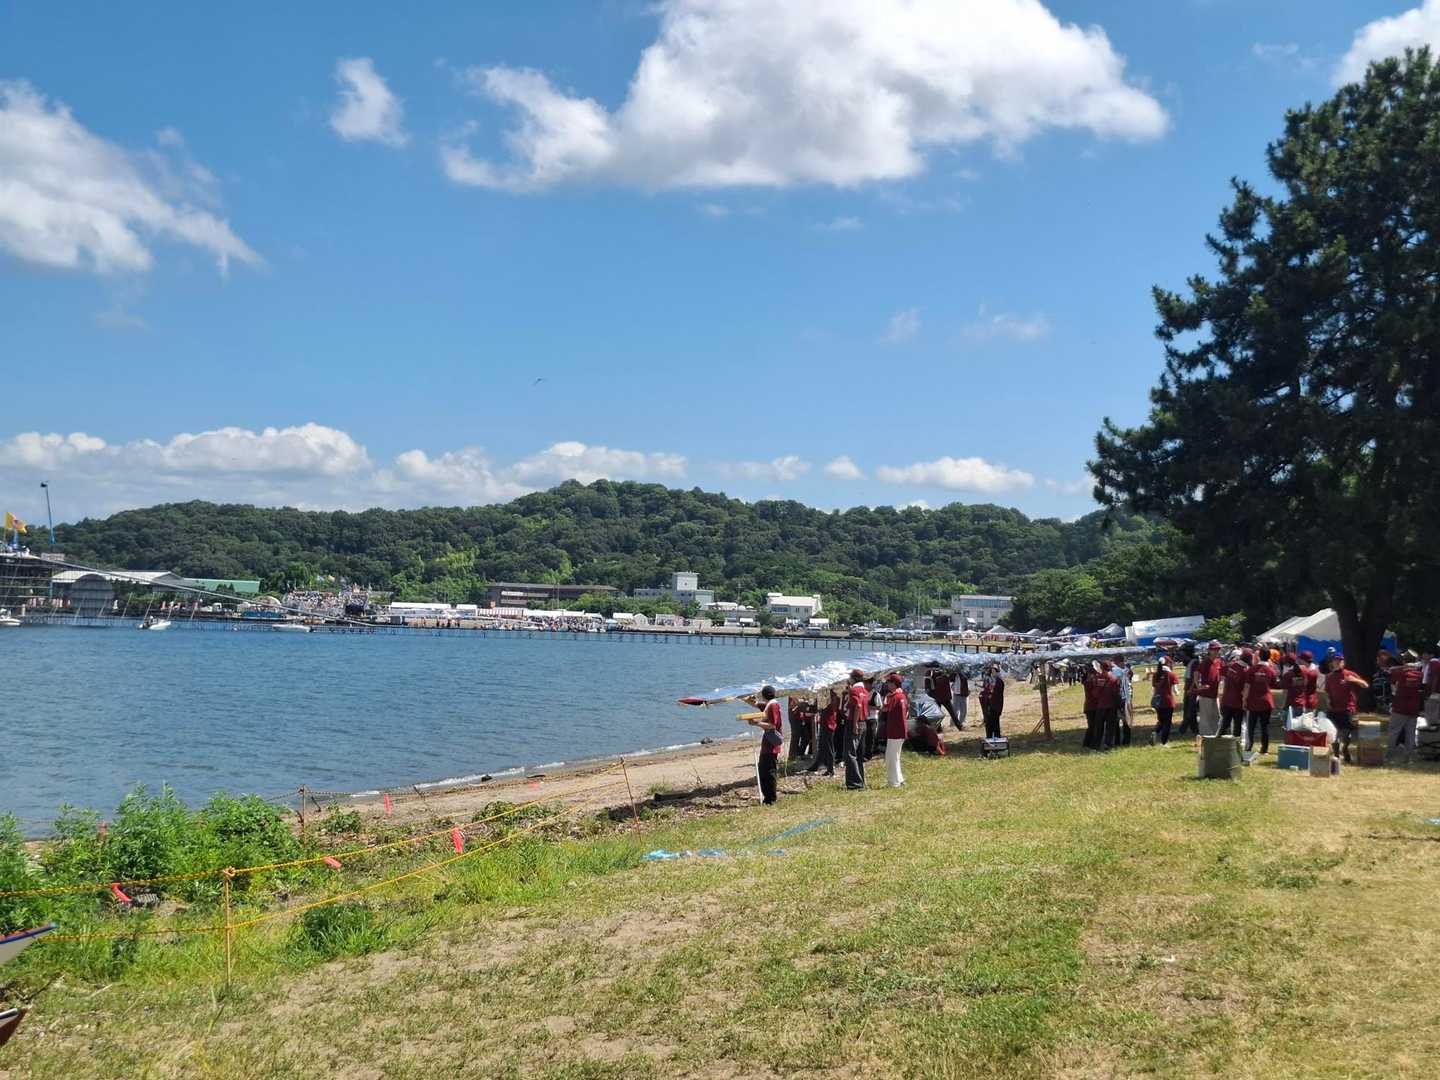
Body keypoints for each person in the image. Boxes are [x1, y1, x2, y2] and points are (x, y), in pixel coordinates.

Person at [1324, 656, 1369, 764]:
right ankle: (1336, 755)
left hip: (1347, 709)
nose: (1337, 663)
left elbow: (1366, 685)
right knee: (1333, 732)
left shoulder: (1349, 674)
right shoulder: (1329, 677)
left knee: (1346, 733)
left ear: (1343, 663)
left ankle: (1345, 749)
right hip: (1333, 709)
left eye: (1340, 661)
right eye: (1335, 661)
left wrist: (1355, 680)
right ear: (1332, 663)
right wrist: (1327, 700)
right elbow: (1326, 692)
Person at [1386, 650, 1424, 763]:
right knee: (1410, 733)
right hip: (1413, 708)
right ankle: (1408, 757)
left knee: (1393, 732)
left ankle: (1389, 756)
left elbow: (1390, 673)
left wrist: (1403, 667)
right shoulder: (1419, 674)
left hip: (1400, 707)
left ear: (1404, 660)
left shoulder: (1399, 672)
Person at [749, 686, 784, 805]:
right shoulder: (770, 704)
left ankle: (771, 798)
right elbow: (756, 704)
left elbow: (772, 725)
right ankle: (767, 797)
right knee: (763, 770)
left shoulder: (773, 705)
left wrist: (757, 723)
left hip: (771, 744)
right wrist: (744, 698)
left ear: (764, 695)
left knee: (769, 771)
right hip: (768, 743)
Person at [1243, 649, 1279, 754]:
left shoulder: (1251, 670)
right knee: (1265, 726)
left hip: (1253, 701)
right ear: (1269, 657)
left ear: (1259, 656)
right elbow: (1274, 684)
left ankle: (1249, 747)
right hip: (1266, 702)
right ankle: (1264, 749)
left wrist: (1244, 700)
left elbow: (1247, 686)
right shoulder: (1271, 670)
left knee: (1251, 727)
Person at [843, 669, 869, 790]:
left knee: (849, 754)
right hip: (863, 722)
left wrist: (854, 724)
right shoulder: (864, 690)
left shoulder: (854, 690)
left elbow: (857, 706)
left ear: (853, 678)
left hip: (855, 722)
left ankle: (854, 783)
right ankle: (860, 779)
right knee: (858, 754)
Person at [883, 672, 908, 787]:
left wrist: (887, 698)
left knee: (891, 758)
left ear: (894, 684)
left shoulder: (895, 697)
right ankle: (899, 779)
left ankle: (893, 782)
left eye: (889, 682)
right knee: (895, 757)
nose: (887, 684)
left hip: (895, 731)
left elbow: (885, 709)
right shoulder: (902, 696)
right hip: (899, 730)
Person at [1218, 648, 1250, 738]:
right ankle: (1236, 743)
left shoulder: (1230, 666)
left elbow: (1221, 675)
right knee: (1237, 726)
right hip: (1238, 703)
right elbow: (1245, 689)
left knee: (1224, 725)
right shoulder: (1245, 671)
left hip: (1226, 700)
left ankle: (1218, 742)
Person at [806, 691, 838, 777]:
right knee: (822, 745)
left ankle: (831, 769)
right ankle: (817, 765)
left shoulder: (832, 697)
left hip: (829, 724)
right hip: (825, 723)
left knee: (828, 747)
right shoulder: (827, 696)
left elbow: (824, 707)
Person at [1195, 641, 1223, 736]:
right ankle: (1205, 736)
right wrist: (1198, 685)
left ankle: (1215, 734)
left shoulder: (1219, 661)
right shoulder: (1205, 662)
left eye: (1217, 649)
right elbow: (1196, 672)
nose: (1216, 651)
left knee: (1216, 715)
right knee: (1206, 716)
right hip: (1206, 693)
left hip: (1215, 693)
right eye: (1214, 649)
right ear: (1209, 651)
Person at [1151, 660, 1179, 746]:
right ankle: (1164, 742)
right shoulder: (1171, 675)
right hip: (1168, 701)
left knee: (1161, 720)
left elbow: (1154, 688)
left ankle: (1155, 732)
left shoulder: (1155, 674)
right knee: (1167, 722)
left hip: (1157, 700)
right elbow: (1175, 690)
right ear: (1168, 664)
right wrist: (1177, 692)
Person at [1095, 659, 1122, 749]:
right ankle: (1108, 744)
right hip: (1111, 706)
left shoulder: (1098, 678)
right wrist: (1119, 706)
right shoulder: (1114, 679)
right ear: (1110, 668)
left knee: (1099, 727)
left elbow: (1096, 693)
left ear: (1101, 668)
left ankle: (1097, 744)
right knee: (1110, 727)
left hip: (1100, 705)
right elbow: (1116, 693)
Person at [925, 663, 960, 730]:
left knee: (938, 714)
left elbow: (928, 687)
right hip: (944, 697)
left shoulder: (930, 674)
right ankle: (959, 726)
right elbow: (952, 678)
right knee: (952, 713)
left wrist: (930, 696)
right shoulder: (943, 673)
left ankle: (939, 728)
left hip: (937, 697)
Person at [1178, 645, 1201, 738]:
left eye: (1182, 655)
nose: (1181, 657)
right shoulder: (1190, 663)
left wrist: (1190, 689)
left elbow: (1194, 679)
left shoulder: (1194, 663)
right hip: (1188, 689)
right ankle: (1194, 728)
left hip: (1192, 690)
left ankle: (1182, 729)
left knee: (1190, 710)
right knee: (1189, 709)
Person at [979, 664, 1005, 739]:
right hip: (987, 704)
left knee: (995, 722)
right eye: (991, 671)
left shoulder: (999, 681)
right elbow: (985, 689)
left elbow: (998, 693)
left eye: (994, 671)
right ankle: (989, 737)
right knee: (988, 722)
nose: (993, 673)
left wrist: (991, 694)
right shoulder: (988, 680)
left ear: (997, 672)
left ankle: (997, 737)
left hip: (995, 705)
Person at [1082, 660, 1103, 750]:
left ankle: (1088, 743)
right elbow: (1095, 694)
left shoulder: (1089, 681)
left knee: (1093, 726)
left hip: (1092, 706)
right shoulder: (1089, 682)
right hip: (1091, 707)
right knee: (1093, 726)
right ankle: (1088, 743)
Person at [787, 696, 814, 764]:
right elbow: (793, 703)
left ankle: (800, 754)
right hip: (794, 717)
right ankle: (792, 757)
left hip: (801, 717)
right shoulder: (792, 695)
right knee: (795, 737)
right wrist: (800, 702)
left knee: (806, 737)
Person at [1115, 658, 1134, 746]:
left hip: (1124, 698)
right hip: (1122, 698)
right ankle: (1122, 741)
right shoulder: (1121, 671)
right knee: (1120, 720)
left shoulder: (1124, 671)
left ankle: (1123, 741)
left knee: (1124, 720)